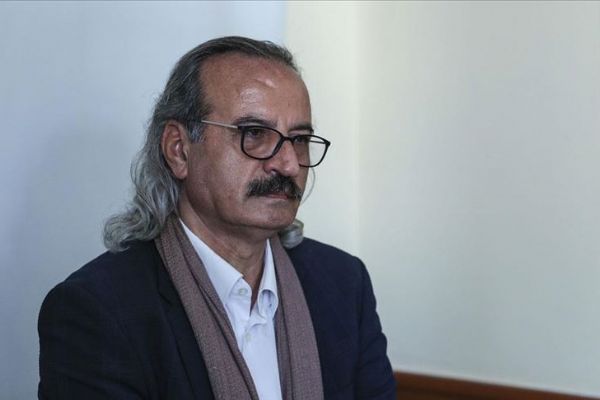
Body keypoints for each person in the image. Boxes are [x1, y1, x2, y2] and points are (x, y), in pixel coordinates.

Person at [38, 36, 395, 400]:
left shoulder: (343, 284)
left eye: (299, 139)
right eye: (255, 134)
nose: (288, 164)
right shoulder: (98, 309)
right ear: (179, 150)